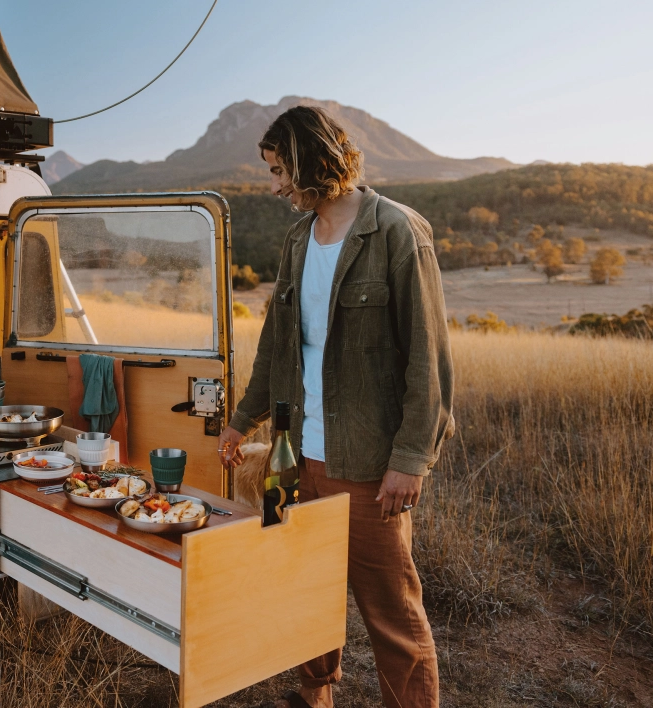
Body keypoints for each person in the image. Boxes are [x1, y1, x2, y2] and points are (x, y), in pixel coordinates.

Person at [219, 107, 454, 708]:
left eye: (279, 171)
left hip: (368, 461)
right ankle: (312, 695)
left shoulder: (398, 232)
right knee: (299, 586)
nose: (273, 187)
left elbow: (429, 358)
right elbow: (277, 341)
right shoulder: (297, 239)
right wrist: (243, 419)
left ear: (308, 161)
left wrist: (411, 458)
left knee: (390, 610)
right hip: (288, 455)